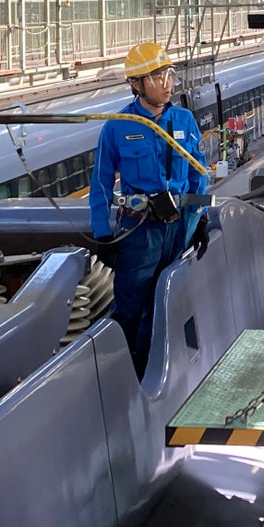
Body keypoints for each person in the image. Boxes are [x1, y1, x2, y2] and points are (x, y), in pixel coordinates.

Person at [89, 41, 208, 377]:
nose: (167, 84)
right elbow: (100, 183)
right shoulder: (118, 126)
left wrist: (200, 218)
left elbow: (199, 174)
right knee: (130, 308)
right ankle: (123, 376)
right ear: (136, 84)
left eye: (169, 75)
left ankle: (161, 373)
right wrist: (101, 232)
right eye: (157, 77)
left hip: (177, 229)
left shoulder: (184, 120)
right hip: (139, 231)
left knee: (167, 304)